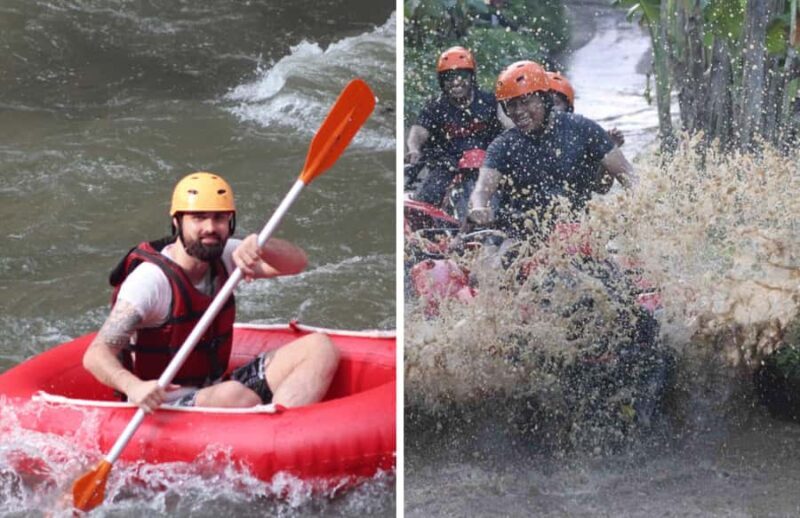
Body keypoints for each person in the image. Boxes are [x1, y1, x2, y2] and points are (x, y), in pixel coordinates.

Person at [82, 172, 340, 413]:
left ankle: (280, 437)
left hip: (215, 387)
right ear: (177, 221)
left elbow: (297, 264)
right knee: (234, 396)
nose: (210, 227)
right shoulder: (150, 283)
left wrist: (262, 245)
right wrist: (133, 386)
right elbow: (96, 354)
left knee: (320, 346)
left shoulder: (227, 254)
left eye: (219, 218)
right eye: (198, 217)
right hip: (167, 404)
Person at [469, 60, 637, 239]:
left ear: (544, 98)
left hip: (577, 236)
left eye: (525, 102)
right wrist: (479, 207)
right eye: (511, 105)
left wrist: (638, 207)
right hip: (522, 239)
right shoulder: (502, 146)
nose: (519, 111)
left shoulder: (584, 129)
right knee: (496, 261)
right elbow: (482, 190)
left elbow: (628, 175)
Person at [405, 46, 503, 205]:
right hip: (448, 166)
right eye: (450, 77)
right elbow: (418, 132)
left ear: (471, 77)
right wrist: (414, 149)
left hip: (486, 165)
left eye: (462, 76)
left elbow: (508, 126)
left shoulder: (489, 101)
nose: (456, 82)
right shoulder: (435, 106)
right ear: (442, 82)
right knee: (426, 198)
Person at [547, 70, 625, 148]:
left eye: (556, 103)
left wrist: (608, 146)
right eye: (545, 102)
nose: (550, 107)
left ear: (568, 109)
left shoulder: (580, 133)